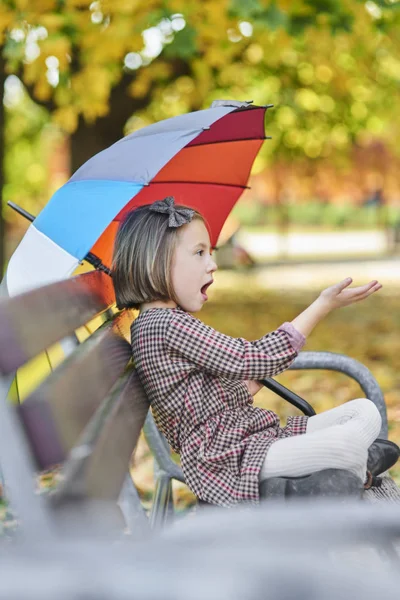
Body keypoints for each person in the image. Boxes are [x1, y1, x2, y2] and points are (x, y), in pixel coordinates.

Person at [112, 196, 399, 507]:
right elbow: (252, 358)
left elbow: (213, 387)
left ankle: (340, 473)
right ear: (157, 261)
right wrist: (322, 304)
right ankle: (339, 473)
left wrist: (246, 383)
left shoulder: (166, 321)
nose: (213, 264)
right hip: (228, 460)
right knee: (348, 445)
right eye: (199, 253)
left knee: (363, 412)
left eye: (211, 252)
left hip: (250, 440)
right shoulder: (164, 325)